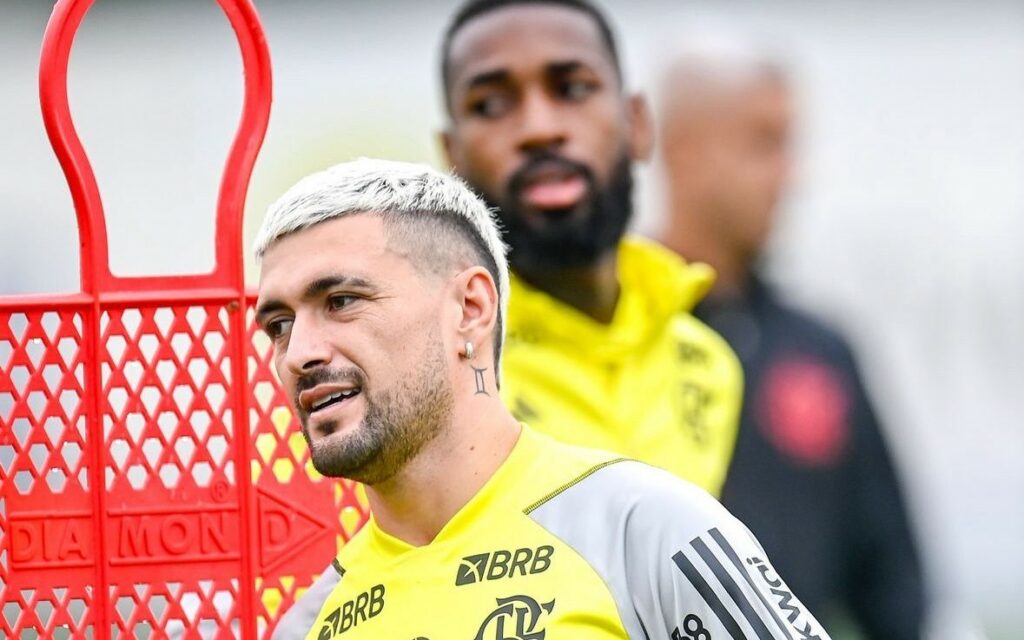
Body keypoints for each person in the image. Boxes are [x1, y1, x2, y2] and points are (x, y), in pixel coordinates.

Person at [256, 157, 830, 640]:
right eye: (278, 324)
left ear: (470, 309)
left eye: (341, 301)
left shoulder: (645, 531)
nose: (298, 352)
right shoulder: (308, 625)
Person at [657, 38, 927, 639]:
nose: (790, 174)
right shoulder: (611, 339)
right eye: (762, 143)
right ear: (682, 150)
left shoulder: (821, 353)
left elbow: (897, 591)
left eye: (789, 145)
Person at [438, 0, 743, 498]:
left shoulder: (708, 363)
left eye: (573, 89)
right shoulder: (430, 376)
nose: (539, 129)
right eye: (491, 105)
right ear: (452, 158)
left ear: (638, 125)